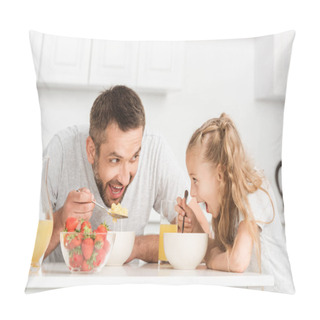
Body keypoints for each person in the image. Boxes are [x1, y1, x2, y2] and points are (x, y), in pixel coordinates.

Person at [43, 85, 199, 264]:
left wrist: (136, 247)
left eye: (134, 157)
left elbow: (200, 239)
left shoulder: (155, 151)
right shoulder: (60, 151)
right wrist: (61, 222)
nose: (125, 179)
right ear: (91, 150)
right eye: (115, 160)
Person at [175, 113, 295, 293]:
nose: (192, 192)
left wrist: (212, 258)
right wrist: (197, 230)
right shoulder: (225, 203)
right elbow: (216, 251)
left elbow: (237, 261)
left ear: (220, 175)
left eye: (195, 180)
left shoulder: (252, 189)